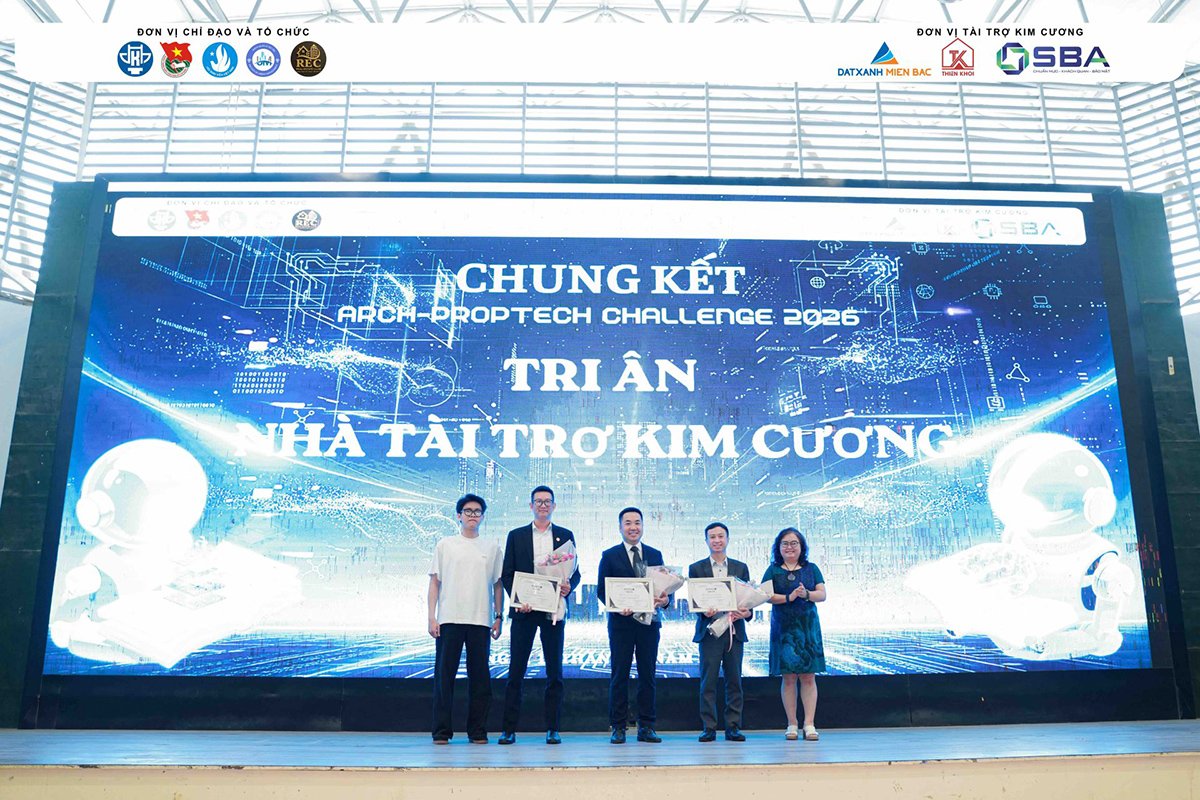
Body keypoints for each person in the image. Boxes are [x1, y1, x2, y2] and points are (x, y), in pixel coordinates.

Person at [499, 485, 582, 745]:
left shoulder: (565, 535)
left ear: (554, 506)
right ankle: (509, 729)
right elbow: (507, 574)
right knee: (516, 671)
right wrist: (518, 599)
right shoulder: (516, 536)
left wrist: (569, 587)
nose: (543, 505)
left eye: (547, 501)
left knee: (554, 672)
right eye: (538, 501)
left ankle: (553, 728)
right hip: (524, 611)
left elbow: (576, 573)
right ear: (531, 506)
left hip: (552, 611)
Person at [428, 494, 504, 745]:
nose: (473, 515)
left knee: (480, 679)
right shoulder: (445, 545)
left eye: (477, 511)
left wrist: (499, 616)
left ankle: (477, 731)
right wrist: (431, 617)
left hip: (480, 620)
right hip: (449, 618)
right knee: (444, 678)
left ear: (483, 516)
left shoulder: (492, 547)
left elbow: (498, 585)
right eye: (468, 511)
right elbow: (435, 582)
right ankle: (441, 732)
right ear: (459, 515)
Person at [596, 506, 670, 744]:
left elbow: (664, 589)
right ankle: (618, 726)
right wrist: (618, 605)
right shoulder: (609, 555)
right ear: (620, 527)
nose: (633, 527)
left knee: (648, 675)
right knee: (619, 675)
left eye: (637, 522)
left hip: (649, 625)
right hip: (621, 625)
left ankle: (646, 726)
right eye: (627, 523)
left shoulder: (655, 554)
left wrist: (666, 600)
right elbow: (601, 590)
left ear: (642, 526)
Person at [688, 522, 751, 742]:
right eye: (712, 537)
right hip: (710, 632)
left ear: (728, 539)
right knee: (708, 683)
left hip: (734, 631)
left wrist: (747, 613)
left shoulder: (740, 567)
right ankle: (709, 727)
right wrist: (704, 611)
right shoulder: (696, 568)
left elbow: (748, 599)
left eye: (721, 536)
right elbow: (695, 601)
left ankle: (733, 726)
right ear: (706, 541)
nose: (717, 540)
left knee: (735, 681)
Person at [763, 527, 826, 741]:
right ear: (778, 547)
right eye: (785, 544)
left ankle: (809, 724)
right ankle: (792, 724)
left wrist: (806, 594)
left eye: (794, 543)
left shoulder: (812, 568)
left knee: (809, 676)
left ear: (801, 546)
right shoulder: (772, 570)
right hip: (783, 628)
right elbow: (766, 596)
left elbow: (822, 594)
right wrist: (789, 597)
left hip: (808, 627)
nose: (789, 547)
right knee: (788, 677)